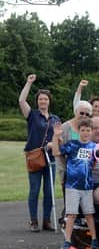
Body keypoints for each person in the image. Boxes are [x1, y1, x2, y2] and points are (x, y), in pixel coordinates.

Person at [19, 74, 61, 232]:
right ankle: (33, 220)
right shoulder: (32, 115)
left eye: (46, 99)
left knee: (49, 190)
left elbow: (60, 138)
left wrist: (53, 142)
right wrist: (29, 83)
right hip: (35, 157)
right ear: (37, 101)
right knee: (35, 189)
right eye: (40, 99)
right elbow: (21, 101)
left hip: (50, 158)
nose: (43, 101)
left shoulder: (56, 119)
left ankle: (46, 220)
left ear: (49, 101)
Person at [51, 119, 98, 249]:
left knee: (89, 214)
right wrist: (56, 136)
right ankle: (67, 240)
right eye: (82, 130)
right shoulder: (72, 144)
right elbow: (56, 152)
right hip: (72, 186)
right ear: (78, 131)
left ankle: (94, 239)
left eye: (88, 130)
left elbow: (94, 164)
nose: (85, 133)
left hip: (87, 187)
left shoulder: (94, 147)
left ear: (91, 131)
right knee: (72, 214)